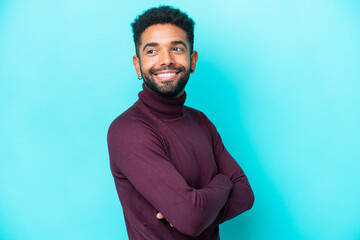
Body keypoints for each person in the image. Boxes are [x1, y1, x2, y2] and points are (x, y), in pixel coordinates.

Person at [107, 5, 254, 240]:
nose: (166, 60)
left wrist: (199, 209)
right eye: (152, 51)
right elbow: (191, 217)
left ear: (192, 60)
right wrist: (224, 183)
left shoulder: (201, 120)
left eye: (176, 48)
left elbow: (245, 194)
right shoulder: (128, 130)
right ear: (138, 65)